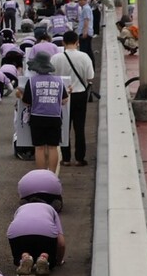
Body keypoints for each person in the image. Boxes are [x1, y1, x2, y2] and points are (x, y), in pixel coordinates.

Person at [50, 29, 94, 166]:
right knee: (79, 127)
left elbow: (51, 77)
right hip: (80, 94)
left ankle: (66, 158)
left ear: (63, 42)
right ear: (77, 42)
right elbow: (90, 77)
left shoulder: (55, 58)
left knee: (64, 127)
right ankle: (80, 157)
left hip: (62, 95)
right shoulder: (84, 57)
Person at [21, 53, 68, 173]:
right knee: (53, 147)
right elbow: (64, 100)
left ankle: (41, 174)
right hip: (55, 117)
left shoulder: (31, 82)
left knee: (39, 148)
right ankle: (52, 173)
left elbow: (26, 102)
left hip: (37, 117)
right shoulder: (59, 81)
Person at [7, 201, 66, 276]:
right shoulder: (51, 209)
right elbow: (61, 244)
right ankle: (44, 257)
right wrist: (58, 261)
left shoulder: (20, 209)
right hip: (46, 231)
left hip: (17, 231)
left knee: (21, 250)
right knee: (49, 255)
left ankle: (24, 256)